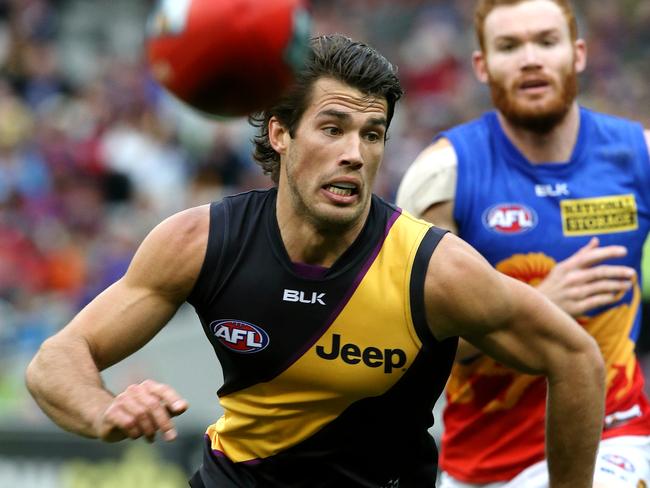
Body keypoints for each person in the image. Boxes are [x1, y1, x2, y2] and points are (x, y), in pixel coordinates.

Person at [25, 34, 605, 488]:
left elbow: (576, 357)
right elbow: (56, 360)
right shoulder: (200, 241)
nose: (355, 154)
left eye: (372, 134)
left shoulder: (433, 270)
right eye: (333, 128)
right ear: (281, 132)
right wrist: (103, 410)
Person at [396, 0, 650, 487]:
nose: (530, 58)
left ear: (577, 54)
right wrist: (536, 306)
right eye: (509, 46)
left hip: (614, 437)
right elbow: (415, 347)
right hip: (482, 461)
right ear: (482, 64)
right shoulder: (442, 176)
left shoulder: (637, 156)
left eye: (545, 41)